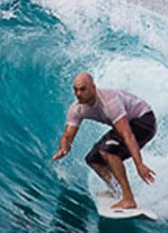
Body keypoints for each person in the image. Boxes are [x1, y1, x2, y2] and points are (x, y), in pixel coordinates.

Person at [52, 71, 156, 210]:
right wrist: (64, 147)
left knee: (108, 151)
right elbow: (67, 136)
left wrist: (140, 165)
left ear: (93, 88)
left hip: (144, 121)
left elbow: (128, 135)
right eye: (75, 90)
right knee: (93, 159)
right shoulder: (77, 109)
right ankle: (117, 190)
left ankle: (128, 199)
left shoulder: (109, 103)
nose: (78, 94)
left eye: (83, 89)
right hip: (130, 124)